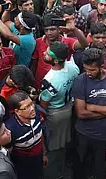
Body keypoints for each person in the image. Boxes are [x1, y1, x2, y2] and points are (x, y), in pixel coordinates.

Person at [72, 48, 106, 179]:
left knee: (101, 172)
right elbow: (81, 113)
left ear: (102, 66)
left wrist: (92, 107)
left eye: (92, 70)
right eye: (86, 69)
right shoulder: (80, 80)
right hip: (84, 135)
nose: (88, 73)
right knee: (81, 171)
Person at [38, 42, 79, 179]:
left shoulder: (50, 80)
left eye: (48, 54)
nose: (44, 53)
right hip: (69, 107)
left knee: (53, 146)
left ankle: (54, 174)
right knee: (63, 142)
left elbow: (43, 105)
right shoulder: (73, 68)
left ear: (55, 60)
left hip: (54, 114)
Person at [5, 91, 46, 179]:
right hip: (23, 167)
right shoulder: (10, 129)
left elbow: (40, 134)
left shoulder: (36, 115)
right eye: (26, 107)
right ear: (17, 111)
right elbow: (8, 153)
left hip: (38, 159)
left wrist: (44, 153)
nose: (32, 108)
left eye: (31, 104)